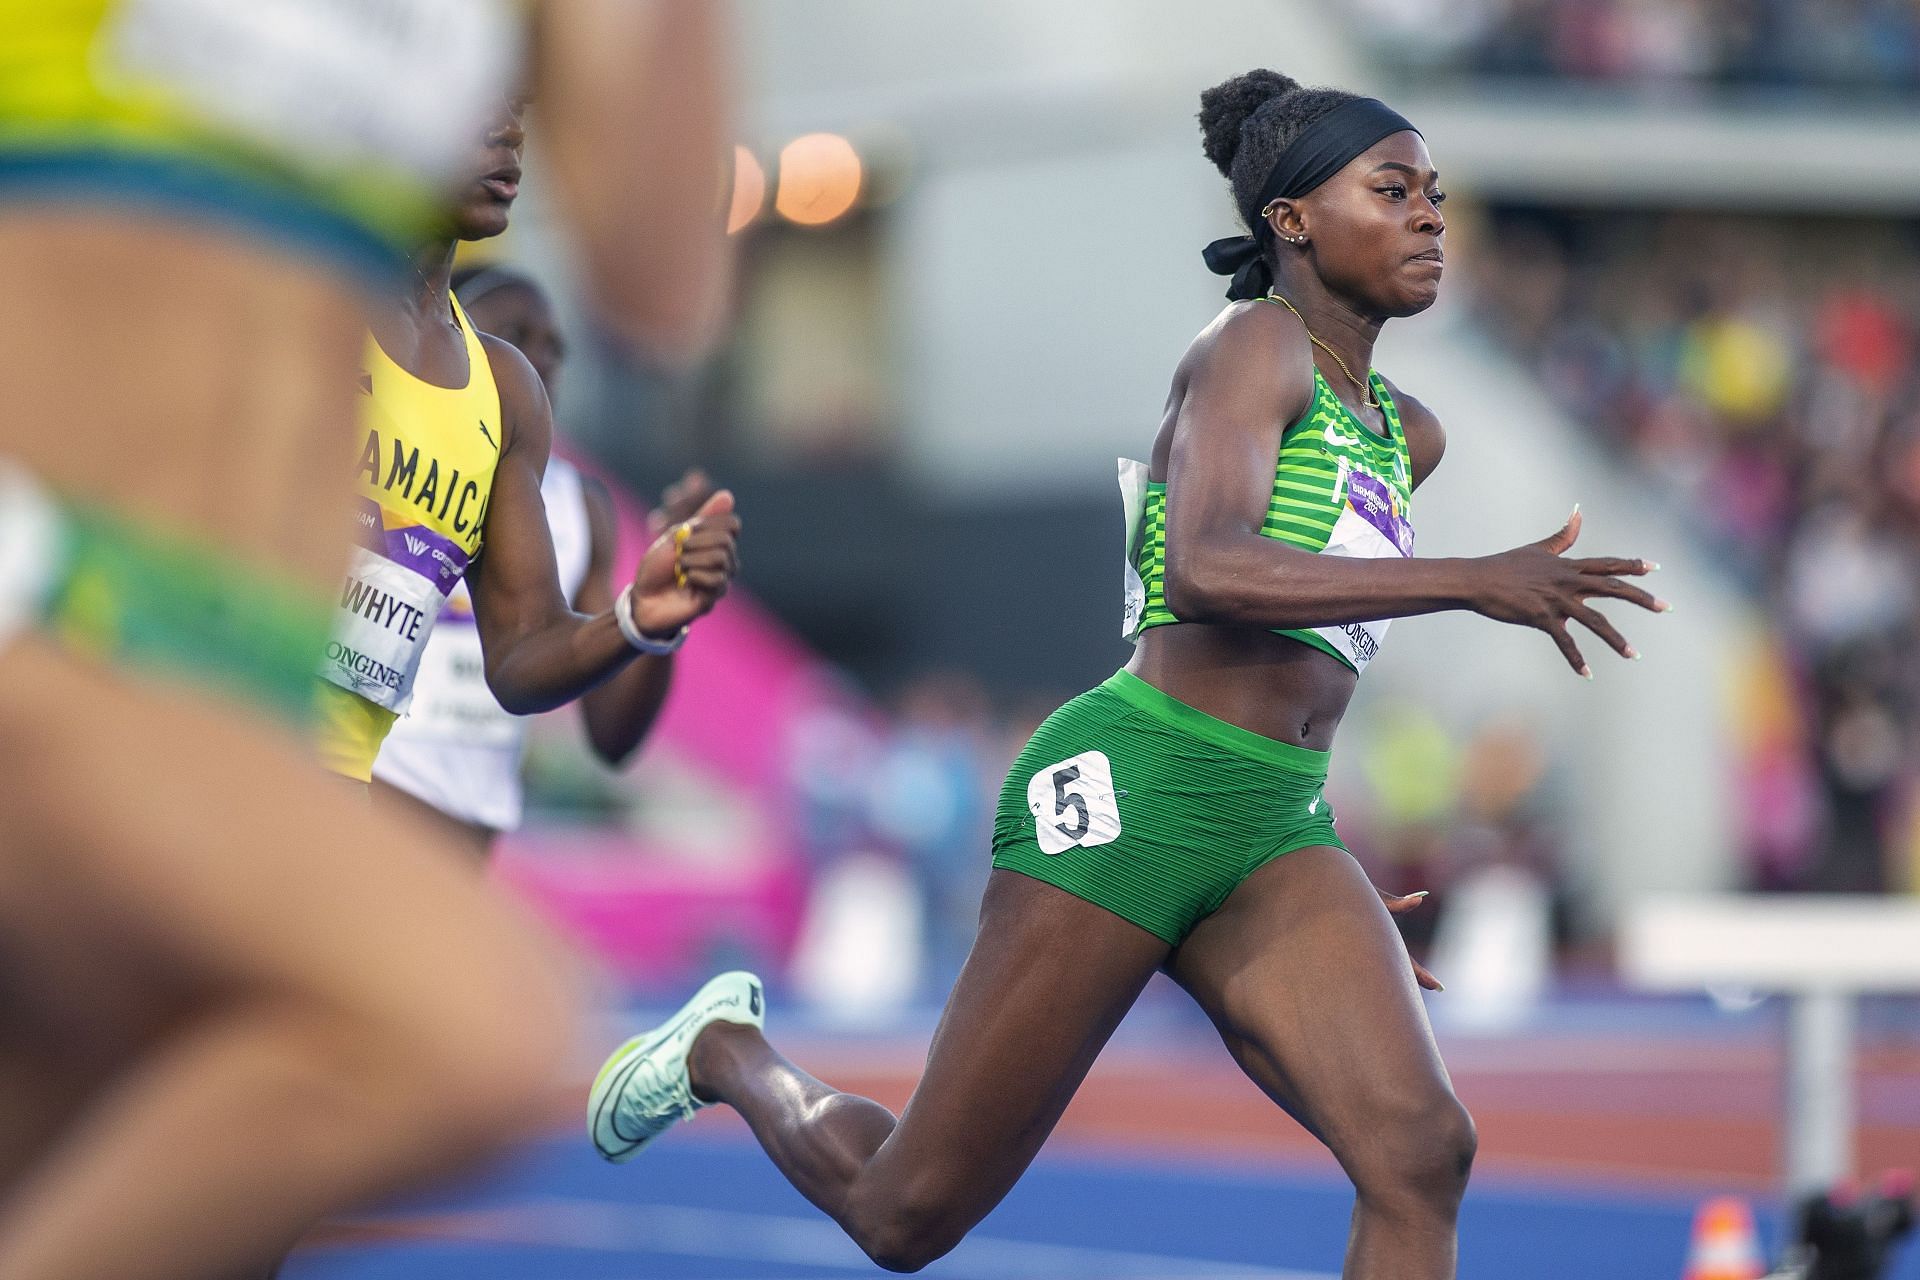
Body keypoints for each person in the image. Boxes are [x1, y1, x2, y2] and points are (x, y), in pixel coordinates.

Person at [585, 69, 1670, 1280]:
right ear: (1293, 218)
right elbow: (1208, 567)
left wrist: (1334, 877)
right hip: (1133, 790)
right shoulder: (1254, 348)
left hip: (1275, 819)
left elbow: (1312, 658)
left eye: (1437, 196)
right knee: (905, 1214)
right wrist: (1470, 577)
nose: (1430, 217)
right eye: (1394, 189)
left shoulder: (1410, 431)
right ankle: (727, 1048)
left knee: (1422, 1153)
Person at [0, 4, 734, 1277]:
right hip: (52, 595)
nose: (500, 125)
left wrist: (626, 619)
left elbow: (663, 286)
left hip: (258, 699)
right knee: (475, 1022)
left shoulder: (497, 376)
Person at [312, 100, 741, 796]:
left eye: (520, 105)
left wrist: (639, 619)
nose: (510, 130)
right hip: (201, 760)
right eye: (480, 94)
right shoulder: (304, 294)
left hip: (331, 797)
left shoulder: (507, 390)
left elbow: (520, 648)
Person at [372, 264, 720, 857]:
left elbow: (610, 734)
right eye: (512, 335)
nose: (538, 361)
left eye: (554, 348)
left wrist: (657, 619)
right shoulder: (387, 452)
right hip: (371, 807)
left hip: (474, 845)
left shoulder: (577, 506)